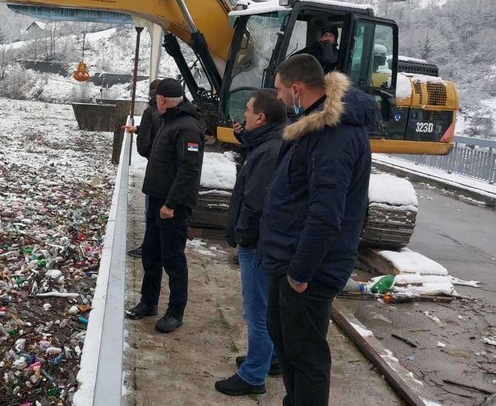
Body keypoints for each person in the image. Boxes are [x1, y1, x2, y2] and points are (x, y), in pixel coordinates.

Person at [261, 54, 377, 406]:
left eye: (281, 91)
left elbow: (327, 215)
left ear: (296, 89)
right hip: (291, 258)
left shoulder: (333, 137)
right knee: (286, 342)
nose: (279, 99)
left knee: (306, 354)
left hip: (308, 269)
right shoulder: (313, 127)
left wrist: (299, 272)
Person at [216, 89, 286, 396]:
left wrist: (241, 235)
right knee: (265, 308)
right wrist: (245, 137)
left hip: (256, 243)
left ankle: (254, 375)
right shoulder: (271, 143)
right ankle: (268, 358)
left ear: (261, 117)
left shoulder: (269, 153)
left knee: (257, 311)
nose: (244, 115)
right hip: (263, 241)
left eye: (247, 111)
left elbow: (255, 202)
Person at [125, 78, 205, 333]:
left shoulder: (187, 127)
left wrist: (171, 203)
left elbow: (189, 168)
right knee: (151, 255)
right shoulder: (170, 122)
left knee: (173, 260)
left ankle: (175, 311)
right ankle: (148, 302)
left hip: (173, 206)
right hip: (158, 200)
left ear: (160, 100)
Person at [123, 79, 163, 259]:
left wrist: (149, 155)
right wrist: (138, 128)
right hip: (169, 169)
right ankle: (160, 246)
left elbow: (145, 142)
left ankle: (148, 247)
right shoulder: (172, 113)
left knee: (150, 211)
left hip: (156, 168)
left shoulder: (150, 112)